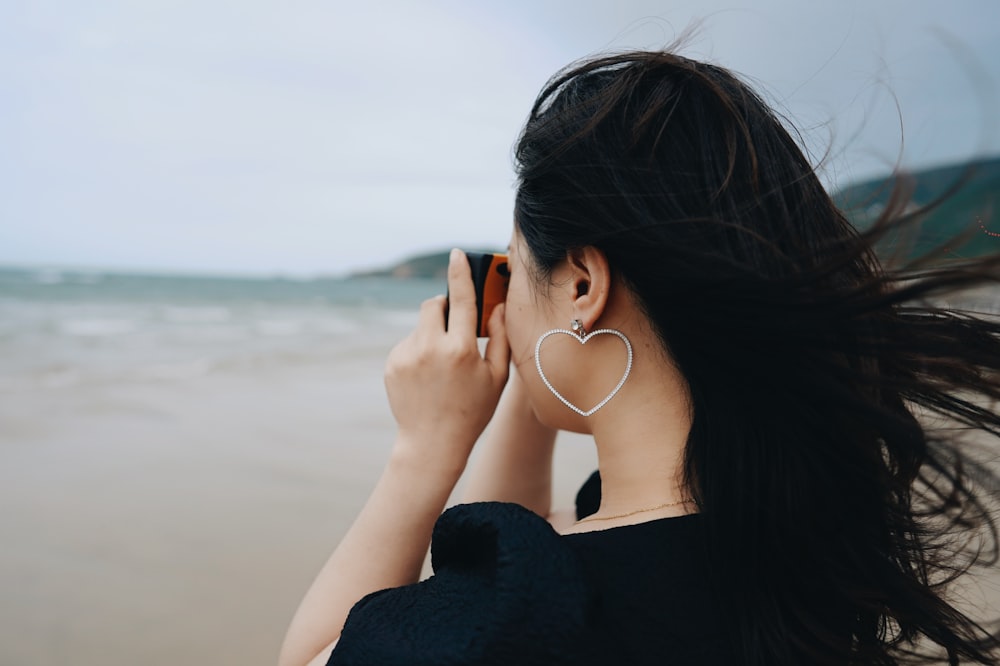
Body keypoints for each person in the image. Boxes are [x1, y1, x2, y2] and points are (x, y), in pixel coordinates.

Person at [279, 50, 1000, 665]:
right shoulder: (788, 525)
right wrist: (541, 357)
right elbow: (526, 543)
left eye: (521, 270)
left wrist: (424, 448)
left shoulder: (519, 617)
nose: (510, 307)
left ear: (585, 283)